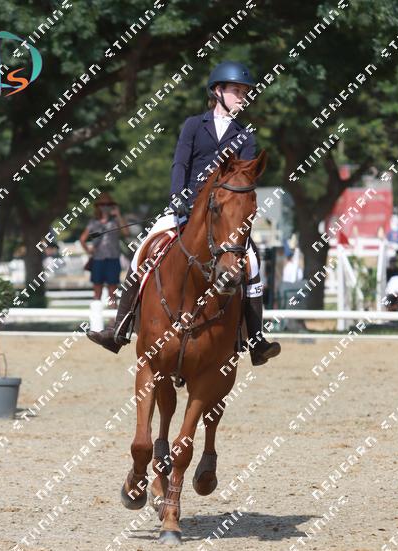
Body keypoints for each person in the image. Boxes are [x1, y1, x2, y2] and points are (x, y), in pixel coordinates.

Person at [87, 61, 281, 366]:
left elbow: (245, 177)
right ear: (217, 91)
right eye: (237, 91)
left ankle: (256, 340)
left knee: (252, 262)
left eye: (245, 92)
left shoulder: (246, 135)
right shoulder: (193, 125)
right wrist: (178, 197)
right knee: (143, 249)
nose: (243, 97)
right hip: (186, 207)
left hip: (224, 217)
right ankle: (119, 329)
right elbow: (180, 163)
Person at [80, 193, 129, 308]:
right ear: (98, 206)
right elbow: (82, 239)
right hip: (98, 259)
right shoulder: (93, 222)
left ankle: (113, 315)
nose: (105, 207)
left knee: (113, 290)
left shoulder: (116, 221)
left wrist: (118, 215)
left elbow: (126, 233)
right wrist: (89, 251)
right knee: (97, 290)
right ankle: (96, 315)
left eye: (108, 204)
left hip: (113, 258)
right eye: (102, 204)